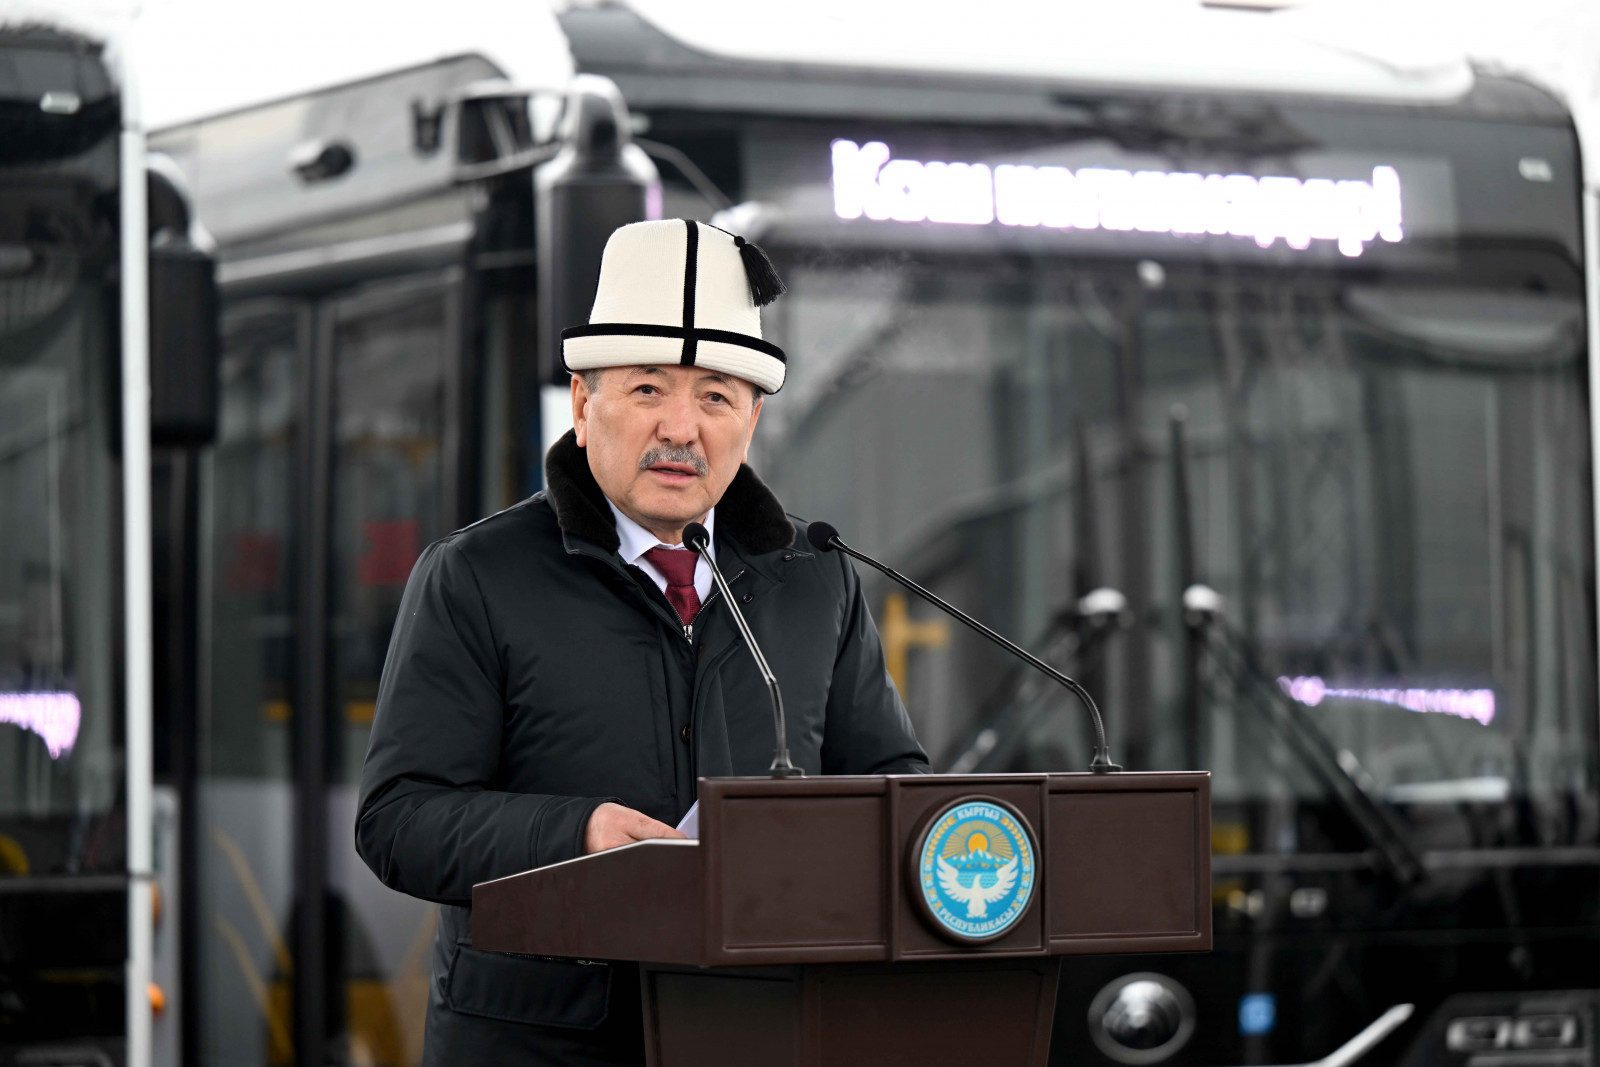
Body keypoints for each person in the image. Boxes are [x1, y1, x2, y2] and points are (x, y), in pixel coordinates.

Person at [355, 219, 928, 1065]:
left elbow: (893, 789)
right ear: (584, 406)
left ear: (752, 421)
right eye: (649, 388)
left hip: (759, 1028)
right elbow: (399, 820)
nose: (682, 428)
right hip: (539, 1044)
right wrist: (576, 833)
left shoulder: (817, 577)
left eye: (717, 397)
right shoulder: (476, 575)